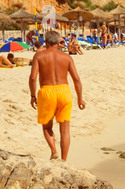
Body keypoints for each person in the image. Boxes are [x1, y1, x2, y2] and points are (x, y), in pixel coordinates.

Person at [29, 30, 86, 161]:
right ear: (57, 42)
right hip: (64, 91)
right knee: (65, 130)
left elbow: (33, 78)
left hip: (47, 91)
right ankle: (64, 160)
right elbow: (76, 80)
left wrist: (33, 95)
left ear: (46, 42)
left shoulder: (39, 56)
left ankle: (54, 151)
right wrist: (80, 99)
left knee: (47, 126)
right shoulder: (67, 57)